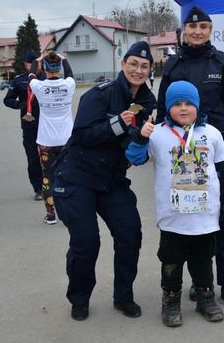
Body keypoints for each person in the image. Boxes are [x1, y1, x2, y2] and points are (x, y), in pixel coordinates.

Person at [52, 41, 156, 321]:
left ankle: (123, 296)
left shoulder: (148, 104)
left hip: (112, 179)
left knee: (130, 233)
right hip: (79, 177)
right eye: (133, 64)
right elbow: (82, 136)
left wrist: (143, 145)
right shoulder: (100, 95)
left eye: (144, 66)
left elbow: (139, 145)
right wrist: (118, 125)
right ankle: (80, 298)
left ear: (149, 71)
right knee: (86, 241)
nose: (138, 70)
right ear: (123, 65)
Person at [156, 6, 224, 310]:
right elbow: (161, 115)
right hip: (184, 159)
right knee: (193, 224)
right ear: (185, 30)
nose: (198, 32)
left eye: (204, 28)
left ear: (210, 31)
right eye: (193, 28)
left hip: (218, 152)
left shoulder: (221, 63)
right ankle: (200, 282)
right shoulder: (171, 66)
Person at [126, 81, 224, 326]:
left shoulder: (211, 133)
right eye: (177, 104)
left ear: (198, 106)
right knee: (171, 260)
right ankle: (171, 300)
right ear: (168, 108)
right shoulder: (157, 133)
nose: (184, 108)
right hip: (173, 217)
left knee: (203, 259)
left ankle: (205, 297)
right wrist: (140, 137)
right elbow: (134, 158)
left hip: (205, 216)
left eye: (189, 103)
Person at [28, 51, 75, 224]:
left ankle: (50, 215)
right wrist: (64, 59)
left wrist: (37, 59)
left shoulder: (39, 86)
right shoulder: (69, 85)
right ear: (59, 68)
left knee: (48, 177)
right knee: (69, 176)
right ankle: (69, 213)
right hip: (67, 141)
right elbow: (70, 73)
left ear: (45, 69)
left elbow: (31, 74)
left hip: (46, 142)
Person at [3, 51, 44, 201]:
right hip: (29, 125)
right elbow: (7, 100)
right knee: (33, 158)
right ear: (26, 64)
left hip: (47, 125)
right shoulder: (19, 80)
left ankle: (52, 186)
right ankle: (38, 188)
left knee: (52, 157)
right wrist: (21, 105)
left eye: (37, 62)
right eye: (31, 63)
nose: (34, 65)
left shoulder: (46, 78)